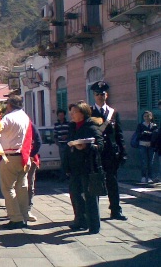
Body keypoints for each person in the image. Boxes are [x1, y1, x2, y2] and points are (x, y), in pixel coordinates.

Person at [90, 81, 128, 220]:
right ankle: (94, 213)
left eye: (102, 94)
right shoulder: (89, 112)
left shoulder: (113, 112)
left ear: (107, 95)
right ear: (94, 96)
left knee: (112, 181)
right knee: (96, 181)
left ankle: (116, 210)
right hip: (96, 152)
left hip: (111, 152)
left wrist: (123, 152)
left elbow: (119, 134)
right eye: (97, 94)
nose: (100, 96)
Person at [65, 101, 104, 234]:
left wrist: (86, 146)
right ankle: (80, 220)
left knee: (90, 196)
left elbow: (100, 146)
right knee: (75, 194)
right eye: (71, 112)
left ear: (82, 113)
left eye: (75, 112)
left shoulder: (91, 128)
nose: (72, 114)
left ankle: (94, 225)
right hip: (75, 167)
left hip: (88, 167)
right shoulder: (72, 127)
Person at [0, 95, 33, 229]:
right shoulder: (25, 117)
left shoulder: (8, 117)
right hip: (24, 156)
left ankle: (16, 218)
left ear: (9, 105)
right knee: (22, 188)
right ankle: (24, 215)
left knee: (8, 188)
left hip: (10, 156)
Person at [134, 111, 157, 183]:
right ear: (143, 117)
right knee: (144, 161)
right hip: (142, 145)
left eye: (148, 116)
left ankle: (150, 177)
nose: (147, 118)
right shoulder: (140, 125)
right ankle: (143, 176)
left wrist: (148, 133)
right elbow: (138, 135)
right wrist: (144, 133)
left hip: (151, 145)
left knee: (151, 162)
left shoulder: (154, 126)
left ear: (151, 117)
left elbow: (155, 135)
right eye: (145, 116)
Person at [27, 122, 42, 222]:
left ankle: (27, 209)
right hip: (15, 157)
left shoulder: (29, 124)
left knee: (29, 184)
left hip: (30, 158)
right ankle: (15, 209)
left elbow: (38, 141)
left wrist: (32, 154)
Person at [54, 108, 70, 181]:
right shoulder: (56, 125)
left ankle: (67, 176)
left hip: (68, 144)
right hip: (61, 145)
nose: (61, 116)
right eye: (59, 115)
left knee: (68, 160)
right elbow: (55, 135)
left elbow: (71, 133)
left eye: (62, 115)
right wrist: (57, 142)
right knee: (63, 161)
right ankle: (62, 177)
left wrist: (66, 136)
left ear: (64, 116)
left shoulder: (68, 124)